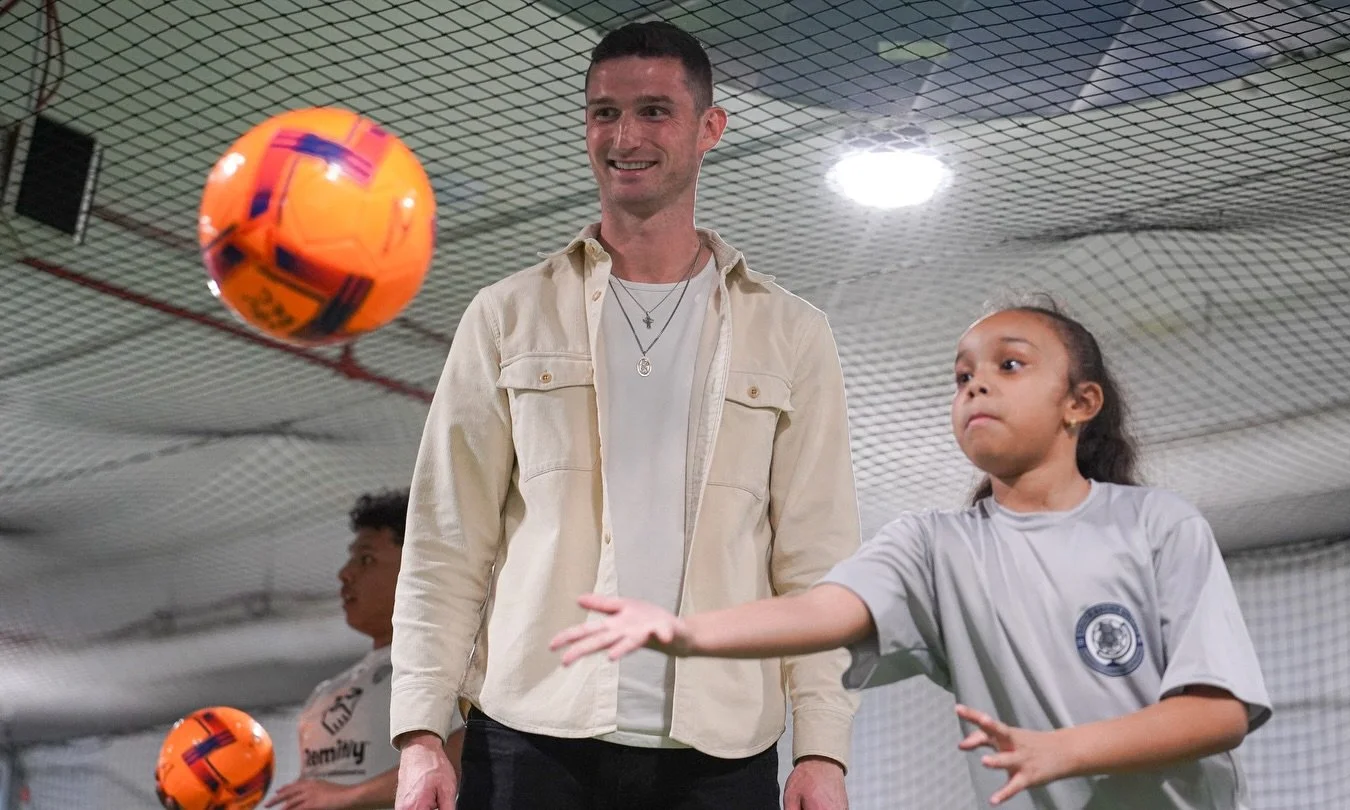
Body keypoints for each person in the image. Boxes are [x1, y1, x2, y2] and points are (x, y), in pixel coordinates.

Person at [389, 19, 862, 810]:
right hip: (529, 735)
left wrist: (824, 749)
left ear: (711, 128)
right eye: (604, 113)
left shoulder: (793, 332)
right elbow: (446, 540)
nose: (625, 136)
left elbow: (820, 564)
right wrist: (420, 733)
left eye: (653, 111)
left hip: (725, 750)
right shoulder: (506, 314)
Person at [552, 299, 1275, 809]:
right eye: (962, 377)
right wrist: (687, 632)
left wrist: (1065, 751)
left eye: (1011, 365)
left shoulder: (1156, 525)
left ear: (1079, 403)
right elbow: (823, 610)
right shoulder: (935, 544)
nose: (977, 384)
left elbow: (1219, 712)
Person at [265, 490, 464, 810]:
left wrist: (346, 798)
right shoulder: (324, 695)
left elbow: (473, 752)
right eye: (351, 558)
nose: (345, 573)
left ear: (418, 566)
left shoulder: (453, 663)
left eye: (366, 559)